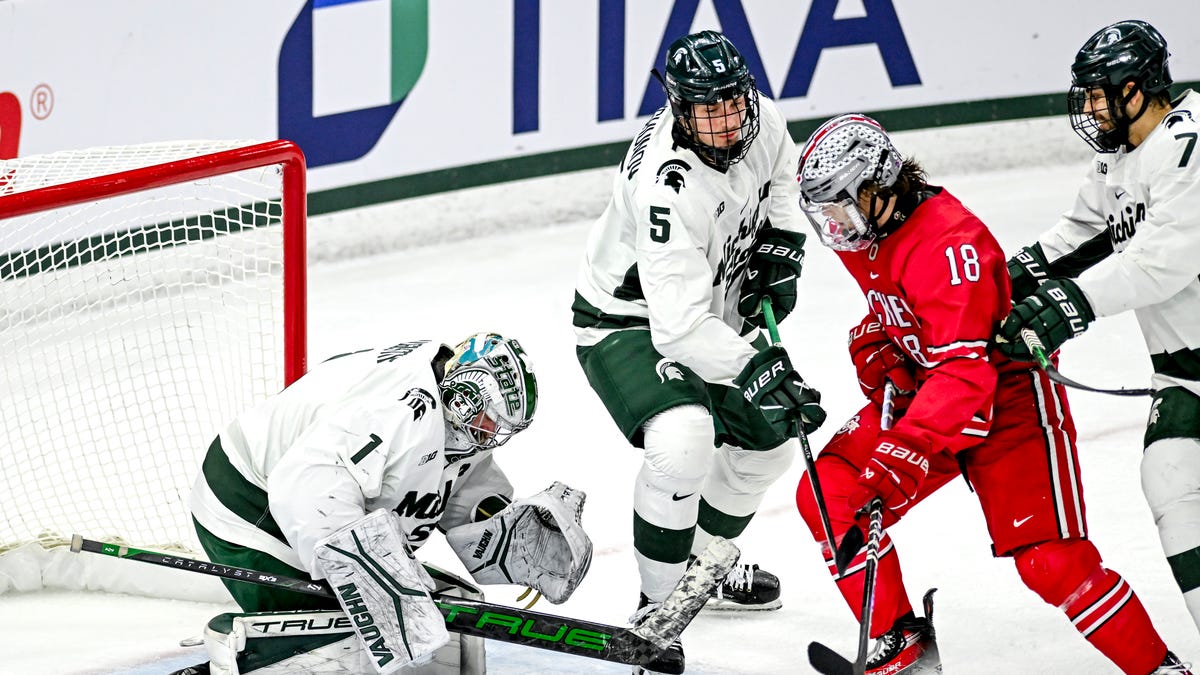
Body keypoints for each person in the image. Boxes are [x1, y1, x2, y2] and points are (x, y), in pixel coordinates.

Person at [794, 113, 1189, 674]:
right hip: (936, 393)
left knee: (1051, 563)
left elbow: (967, 374)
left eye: (839, 204)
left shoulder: (949, 241)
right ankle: (899, 640)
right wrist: (878, 339)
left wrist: (907, 446)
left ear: (877, 184)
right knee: (829, 493)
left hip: (1008, 397)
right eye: (823, 209)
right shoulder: (868, 228)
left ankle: (1160, 669)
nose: (832, 224)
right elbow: (907, 308)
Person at [571, 29, 826, 674]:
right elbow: (678, 330)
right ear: (681, 113)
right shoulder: (667, 187)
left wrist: (782, 249)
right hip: (626, 320)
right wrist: (754, 366)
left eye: (731, 103)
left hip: (712, 303)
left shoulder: (760, 116)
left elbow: (785, 184)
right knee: (684, 441)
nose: (723, 121)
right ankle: (657, 615)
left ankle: (698, 577)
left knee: (767, 441)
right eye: (704, 110)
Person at [184, 333, 592, 675]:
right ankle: (234, 657)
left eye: (500, 430)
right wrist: (374, 579)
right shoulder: (395, 410)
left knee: (450, 606)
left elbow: (453, 481)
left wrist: (503, 528)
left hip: (302, 497)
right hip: (247, 504)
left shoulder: (453, 409)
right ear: (468, 395)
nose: (489, 436)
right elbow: (306, 490)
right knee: (351, 626)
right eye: (488, 421)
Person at [996, 19, 1200, 643]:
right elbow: (1080, 238)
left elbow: (1165, 258)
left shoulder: (1188, 144)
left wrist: (1069, 305)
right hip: (1183, 372)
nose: (1088, 109)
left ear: (1137, 90)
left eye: (1098, 94)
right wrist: (997, 288)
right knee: (1168, 476)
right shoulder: (1118, 157)